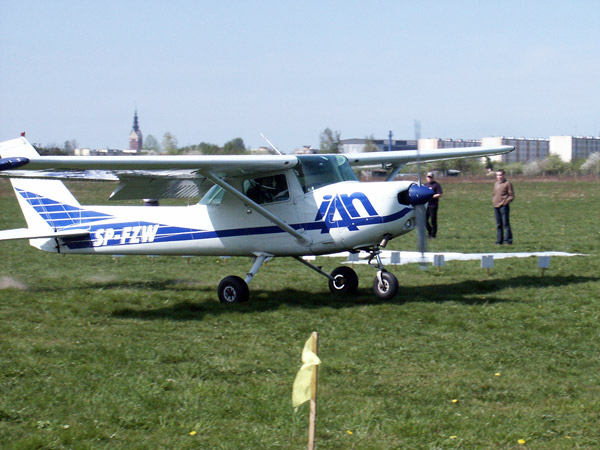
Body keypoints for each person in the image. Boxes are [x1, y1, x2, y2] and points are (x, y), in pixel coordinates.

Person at [493, 169, 515, 245]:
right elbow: (495, 194)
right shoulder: (496, 184)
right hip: (496, 206)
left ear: (503, 175)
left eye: (500, 175)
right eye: (498, 175)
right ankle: (499, 241)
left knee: (506, 224)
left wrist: (505, 202)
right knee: (499, 224)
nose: (499, 177)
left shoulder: (507, 183)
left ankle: (508, 240)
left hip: (503, 206)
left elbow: (511, 195)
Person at [424, 172, 443, 238]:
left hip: (433, 205)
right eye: (428, 177)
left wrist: (431, 197)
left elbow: (439, 194)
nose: (429, 178)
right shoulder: (425, 185)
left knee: (433, 220)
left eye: (431, 177)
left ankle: (433, 235)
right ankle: (430, 231)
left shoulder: (436, 185)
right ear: (426, 178)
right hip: (426, 206)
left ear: (433, 177)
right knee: (424, 221)